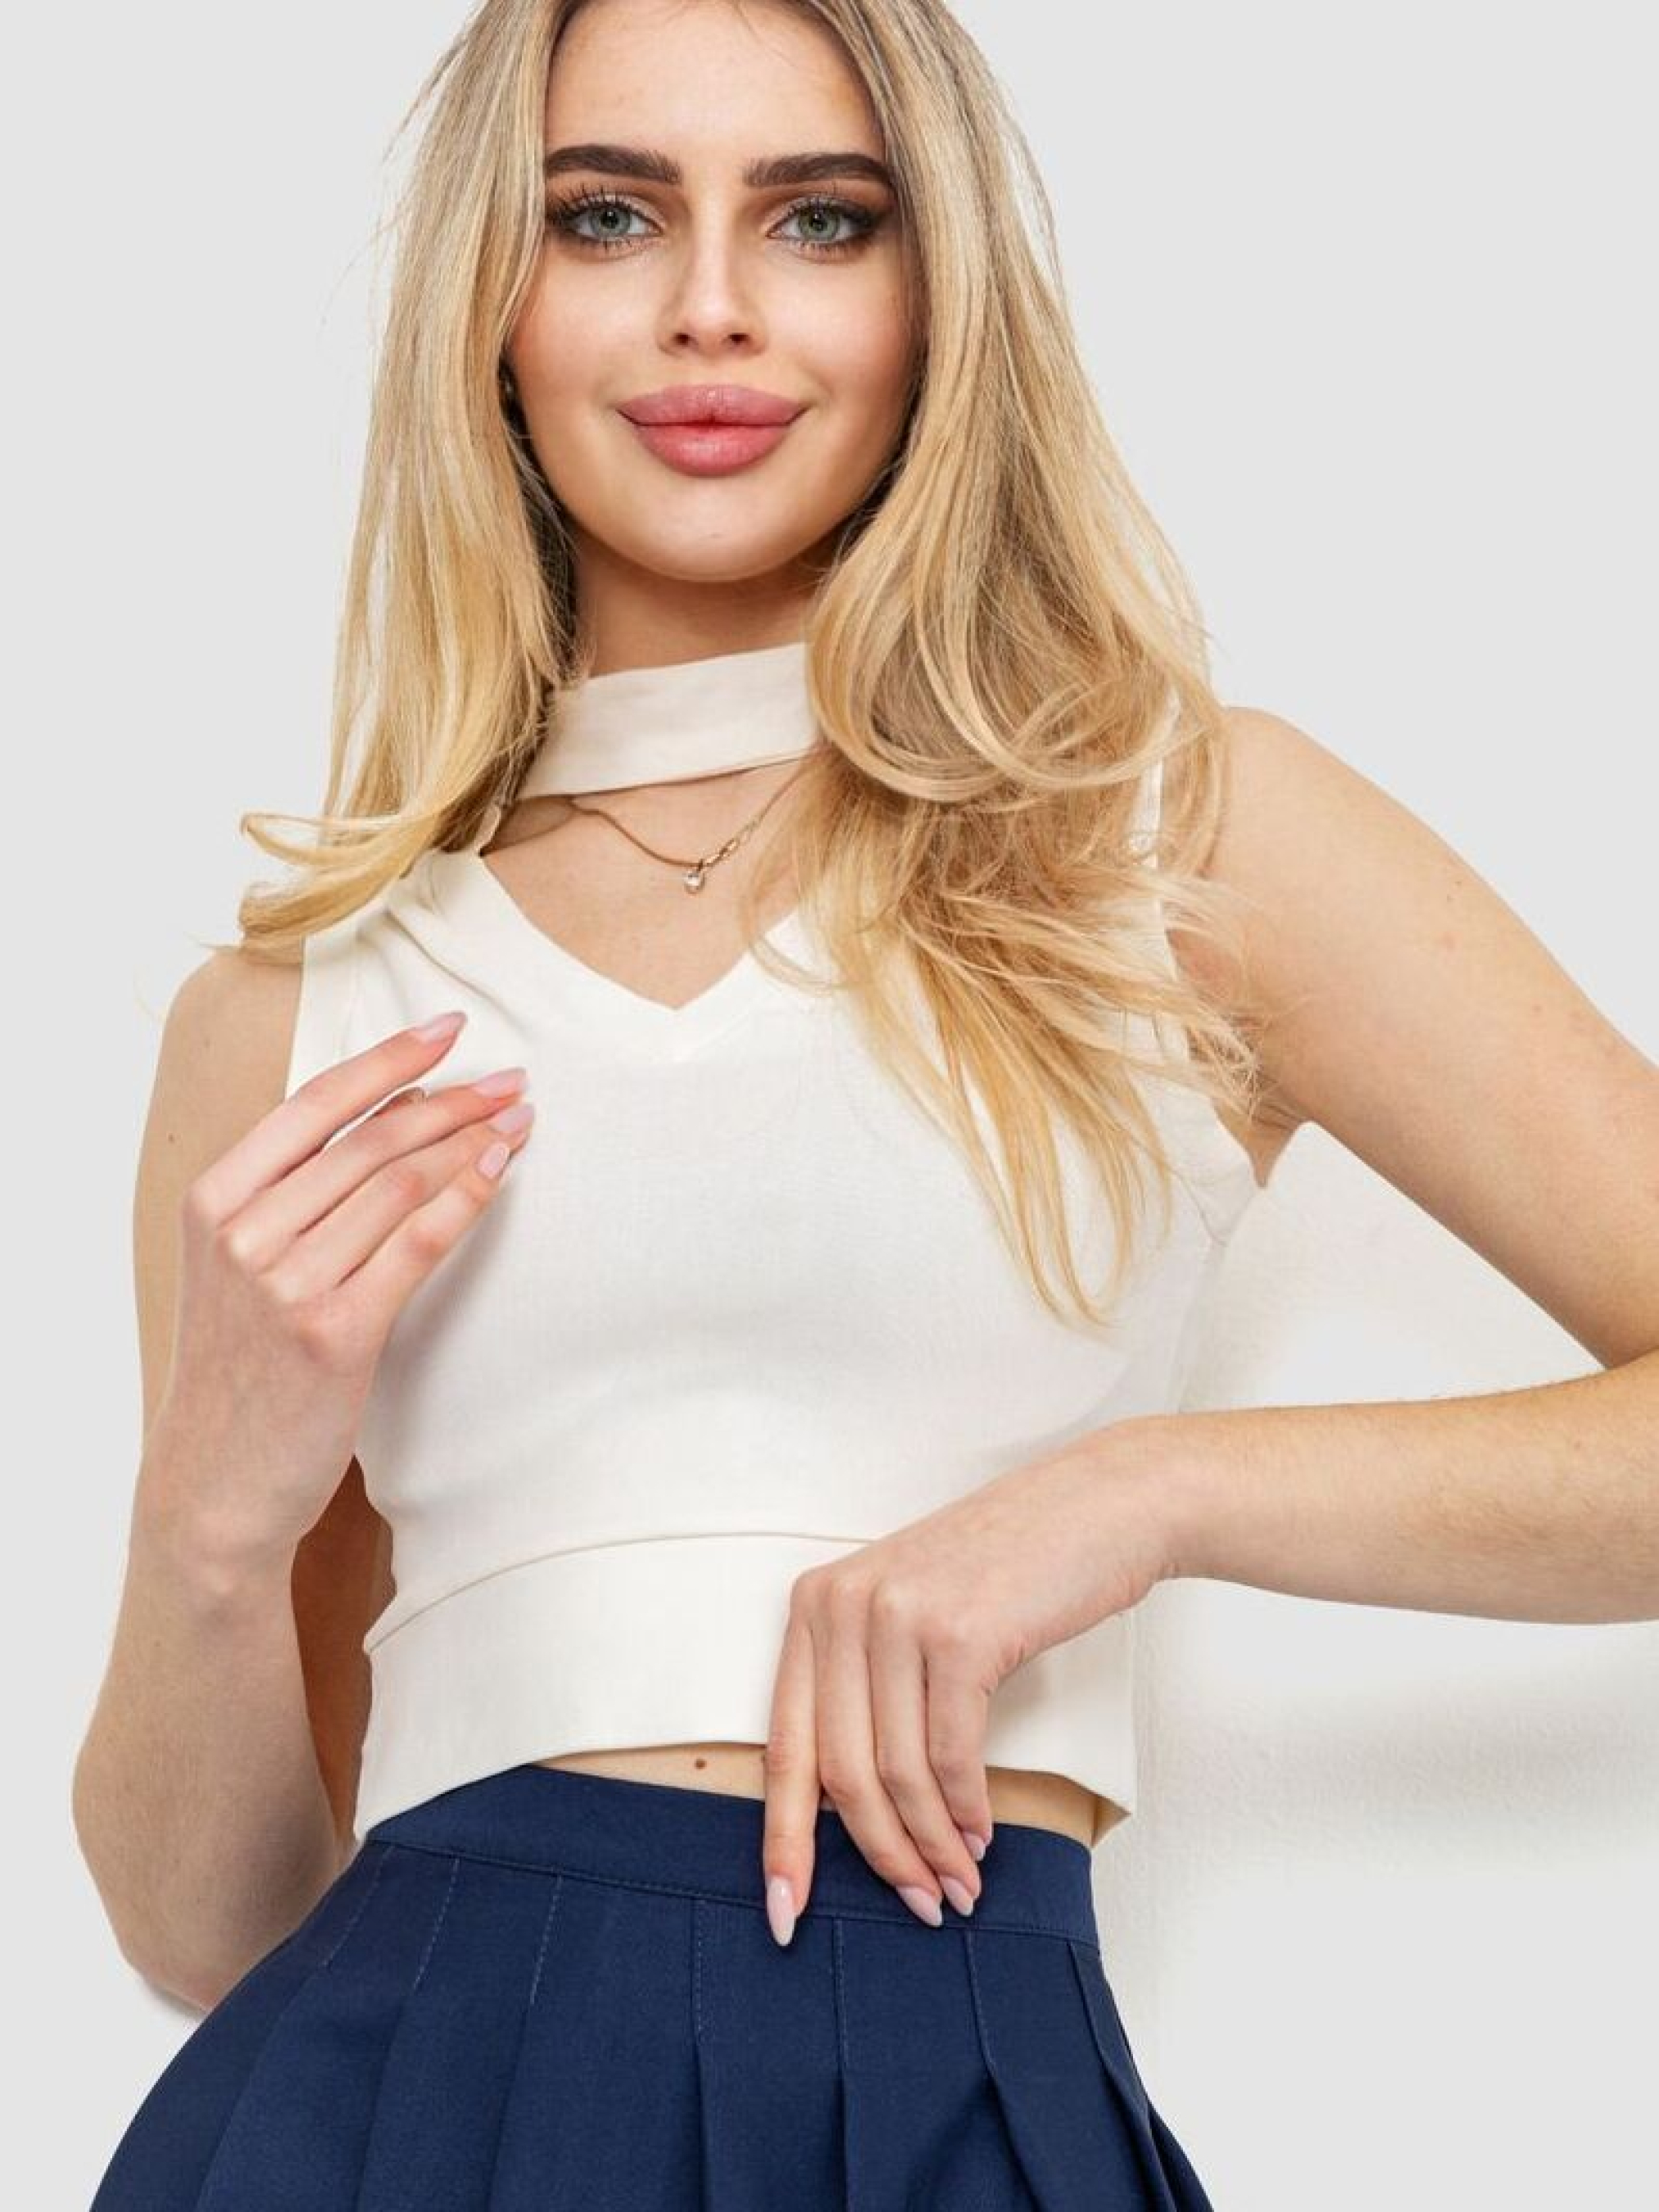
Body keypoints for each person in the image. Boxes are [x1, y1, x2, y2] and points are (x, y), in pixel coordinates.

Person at [75, 0, 1659, 2205]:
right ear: (489, 310)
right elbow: (209, 1928)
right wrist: (213, 1526)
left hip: (951, 2091)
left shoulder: (1180, 839)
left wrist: (1138, 1498)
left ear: (939, 301)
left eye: (821, 219)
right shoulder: (295, 1009)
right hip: (386, 2106)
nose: (711, 305)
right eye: (606, 216)